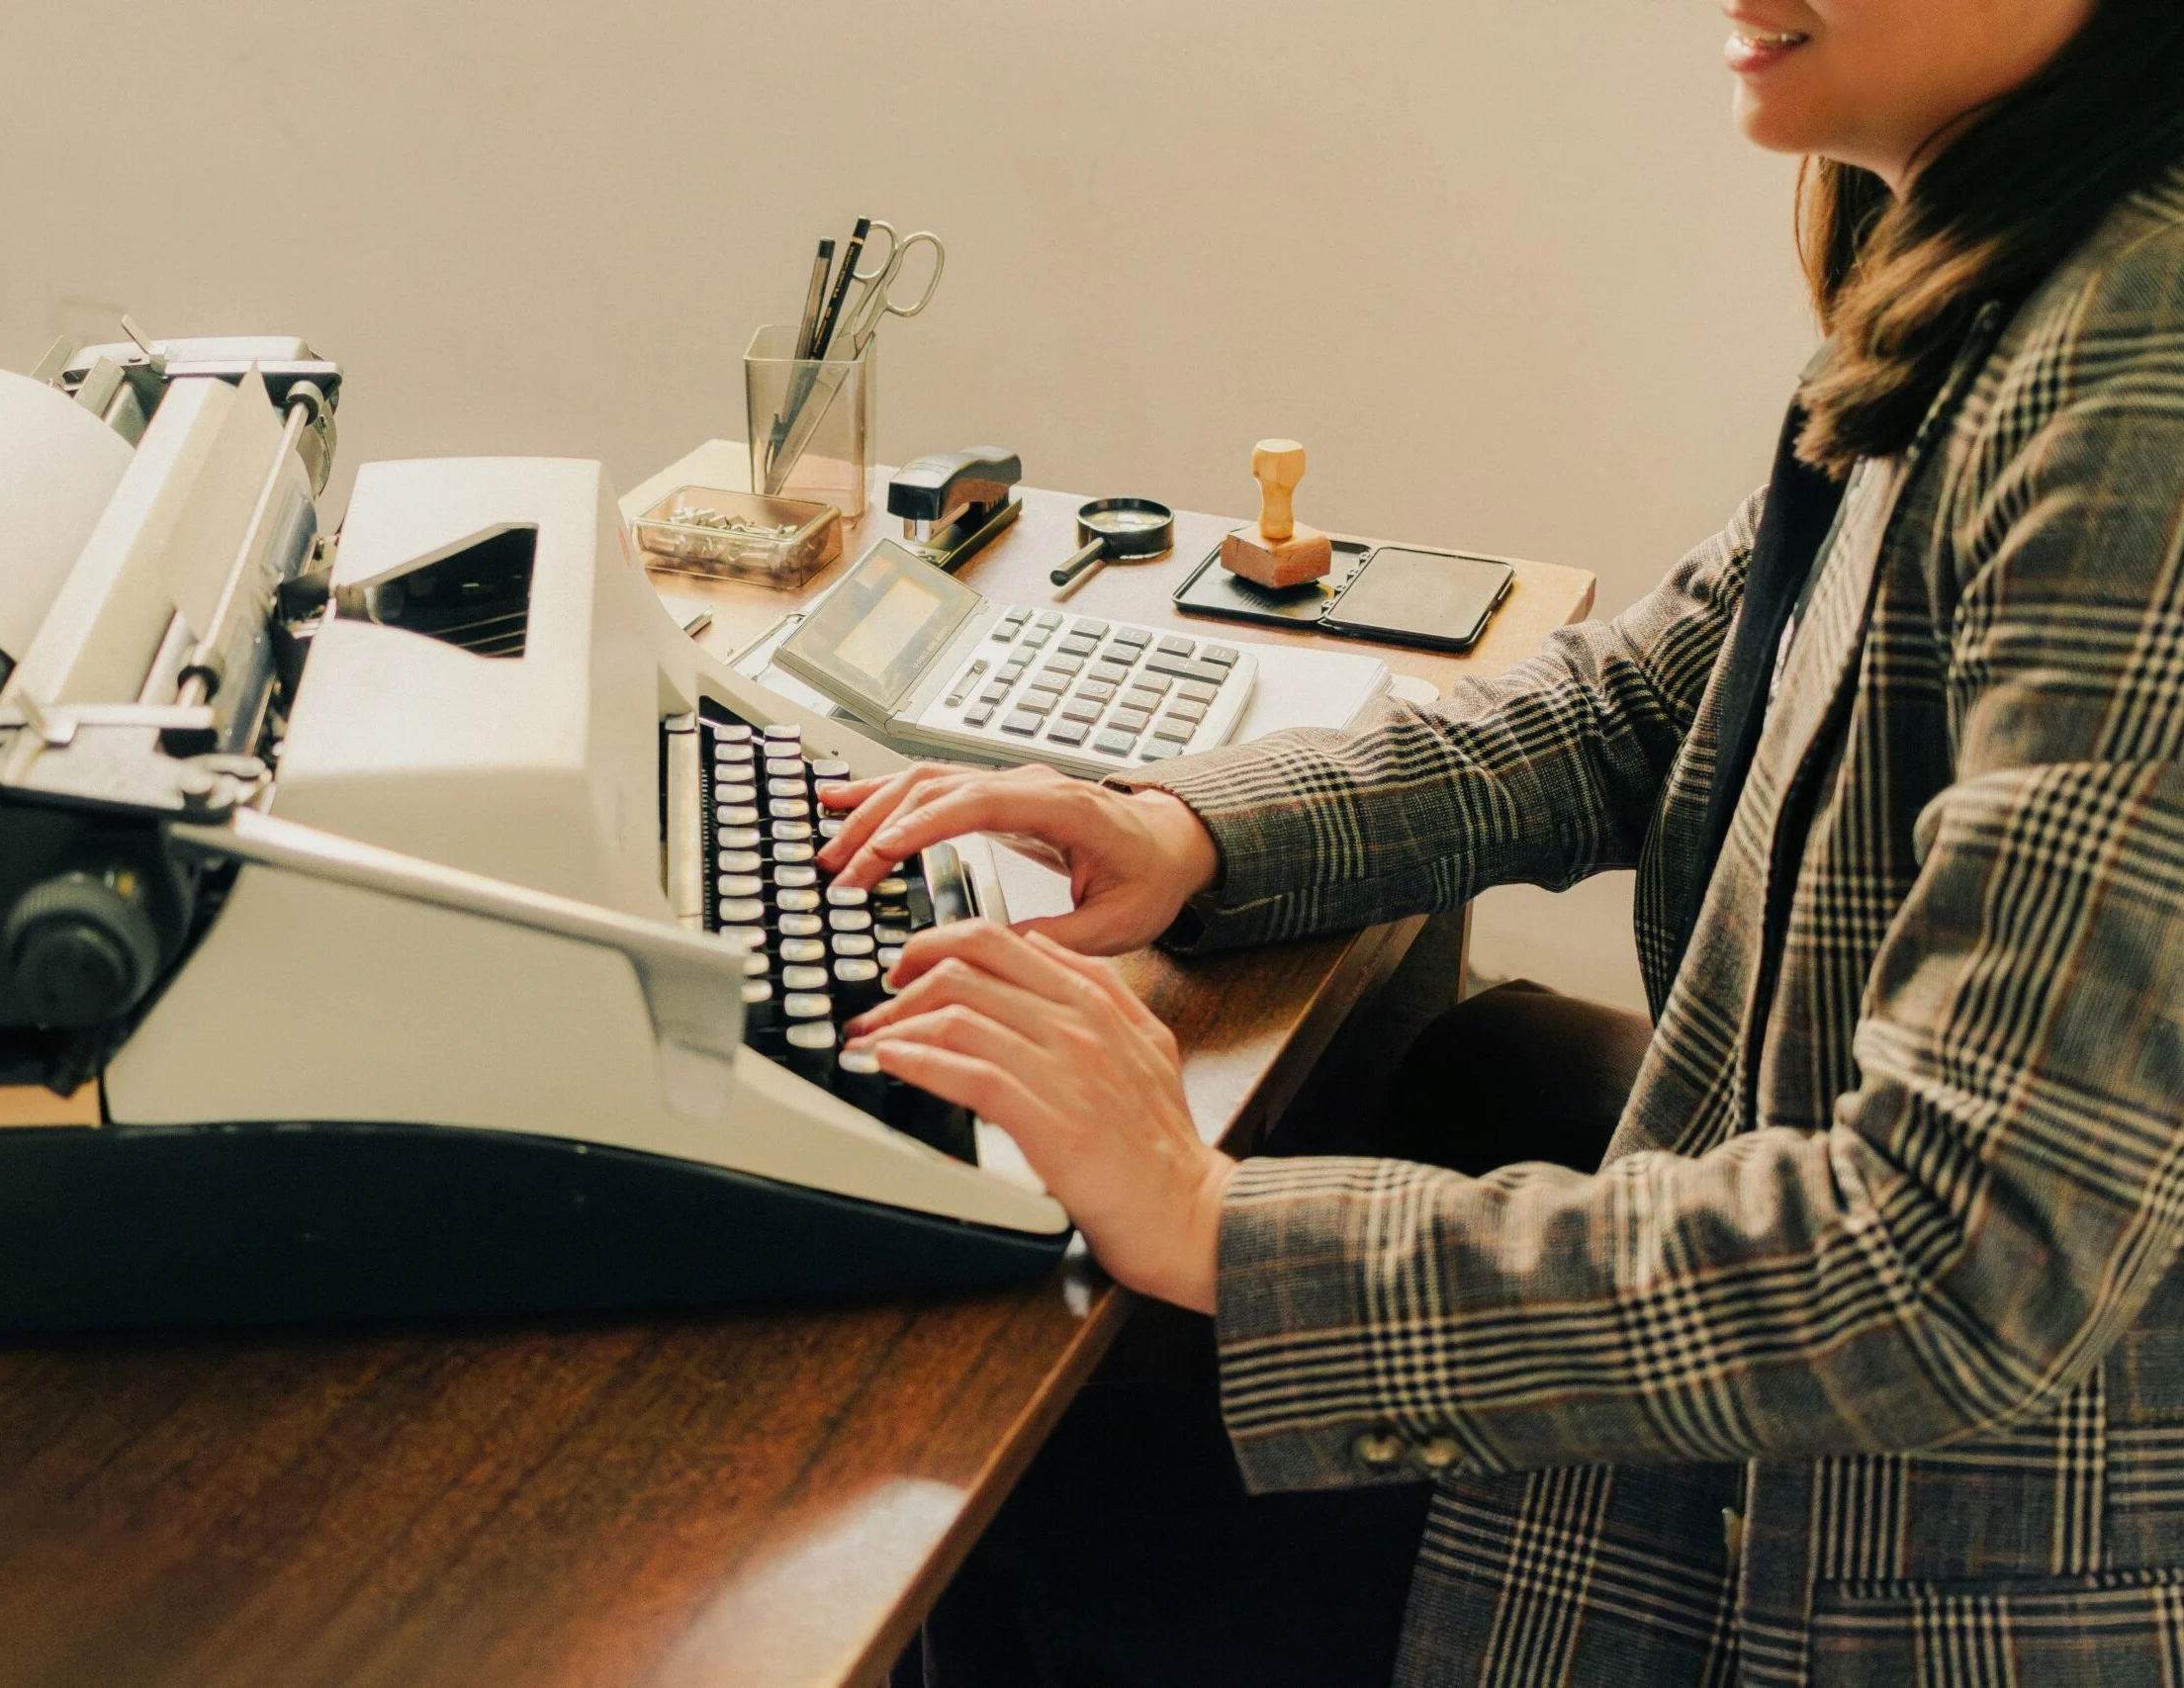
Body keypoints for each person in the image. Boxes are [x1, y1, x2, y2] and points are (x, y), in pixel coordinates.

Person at [823, 0, 2184, 1682]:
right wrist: (1185, 828)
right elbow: (1650, 700)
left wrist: (1215, 1218)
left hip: (1900, 1558)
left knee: (1002, 1487)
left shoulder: (2138, 386)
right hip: (1820, 1378)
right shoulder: (1997, 259)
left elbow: (1961, 1259)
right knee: (1458, 1075)